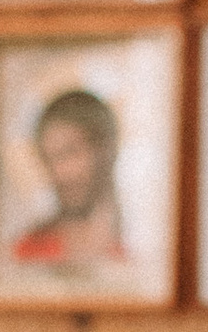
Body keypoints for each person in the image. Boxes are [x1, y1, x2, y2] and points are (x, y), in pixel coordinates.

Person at [10, 89, 128, 281]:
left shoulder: (140, 247)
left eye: (70, 153)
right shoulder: (31, 249)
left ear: (106, 150)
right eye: (50, 159)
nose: (60, 173)